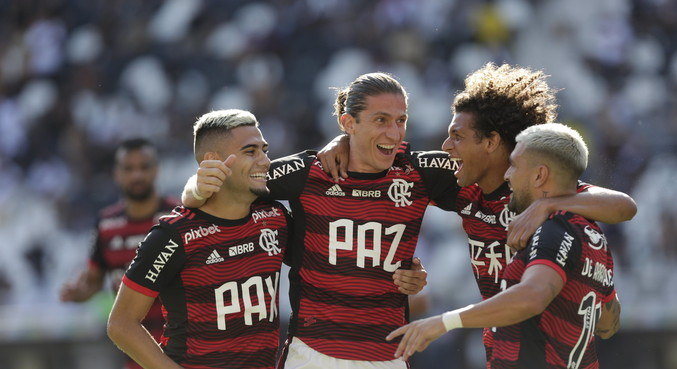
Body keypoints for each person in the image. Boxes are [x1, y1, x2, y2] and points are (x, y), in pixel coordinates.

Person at [318, 63, 636, 364]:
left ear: (491, 142)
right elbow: (378, 151)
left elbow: (624, 206)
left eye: (457, 136)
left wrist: (547, 205)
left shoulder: (546, 196)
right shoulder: (464, 186)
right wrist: (344, 141)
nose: (445, 145)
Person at [182, 72, 457, 368]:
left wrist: (418, 277)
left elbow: (488, 178)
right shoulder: (309, 171)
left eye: (400, 120)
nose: (394, 133)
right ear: (348, 122)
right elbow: (220, 187)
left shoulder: (419, 171)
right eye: (381, 120)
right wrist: (194, 191)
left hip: (386, 356)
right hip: (312, 354)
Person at [387, 123, 621, 369]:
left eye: (515, 166)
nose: (507, 175)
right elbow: (607, 324)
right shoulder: (592, 234)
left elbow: (531, 296)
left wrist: (444, 322)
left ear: (539, 175)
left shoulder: (551, 229)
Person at [107, 109, 291, 369]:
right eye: (250, 151)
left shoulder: (274, 216)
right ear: (213, 161)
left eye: (265, 150)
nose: (265, 160)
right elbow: (121, 323)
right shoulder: (174, 235)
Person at [60, 138, 178, 369]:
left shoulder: (178, 217)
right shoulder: (105, 225)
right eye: (129, 168)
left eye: (144, 167)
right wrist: (78, 293)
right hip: (135, 353)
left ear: (156, 170)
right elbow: (93, 281)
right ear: (117, 173)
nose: (137, 175)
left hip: (181, 350)